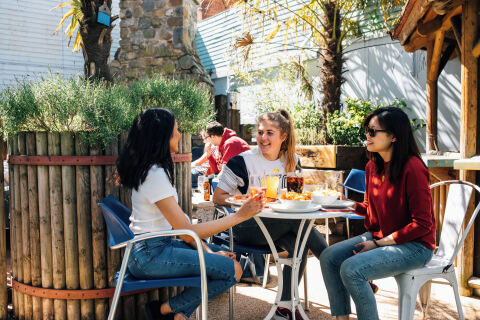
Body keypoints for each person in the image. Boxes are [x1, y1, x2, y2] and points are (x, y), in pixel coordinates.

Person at [116, 108, 264, 320]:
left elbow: (184, 226)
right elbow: (187, 232)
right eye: (175, 130)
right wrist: (240, 216)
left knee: (230, 263)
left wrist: (210, 252)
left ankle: (173, 314)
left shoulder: (151, 169)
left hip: (154, 248)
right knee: (232, 270)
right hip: (150, 255)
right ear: (162, 136)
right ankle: (165, 311)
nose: (178, 134)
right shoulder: (154, 175)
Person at [320, 107, 436, 320]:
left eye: (373, 132)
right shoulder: (372, 167)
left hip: (416, 246)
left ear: (393, 136)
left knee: (351, 269)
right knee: (329, 257)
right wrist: (348, 204)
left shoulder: (413, 168)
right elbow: (371, 211)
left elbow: (422, 224)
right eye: (367, 131)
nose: (367, 136)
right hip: (380, 237)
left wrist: (378, 244)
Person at [213, 109, 328, 320]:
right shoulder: (242, 161)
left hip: (280, 225)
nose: (263, 138)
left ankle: (283, 308)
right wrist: (242, 202)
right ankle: (336, 263)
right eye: (260, 132)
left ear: (283, 136)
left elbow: (295, 199)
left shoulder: (292, 160)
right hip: (245, 225)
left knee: (298, 243)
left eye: (269, 133)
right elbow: (218, 197)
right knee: (301, 225)